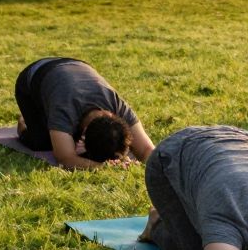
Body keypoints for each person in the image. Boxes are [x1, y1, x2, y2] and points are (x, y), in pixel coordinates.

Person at [14, 58, 155, 170]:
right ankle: (23, 123)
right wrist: (105, 167)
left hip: (76, 65)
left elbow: (147, 149)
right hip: (33, 77)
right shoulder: (64, 110)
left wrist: (151, 165)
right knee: (43, 143)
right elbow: (65, 158)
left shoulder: (117, 105)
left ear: (114, 116)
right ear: (83, 135)